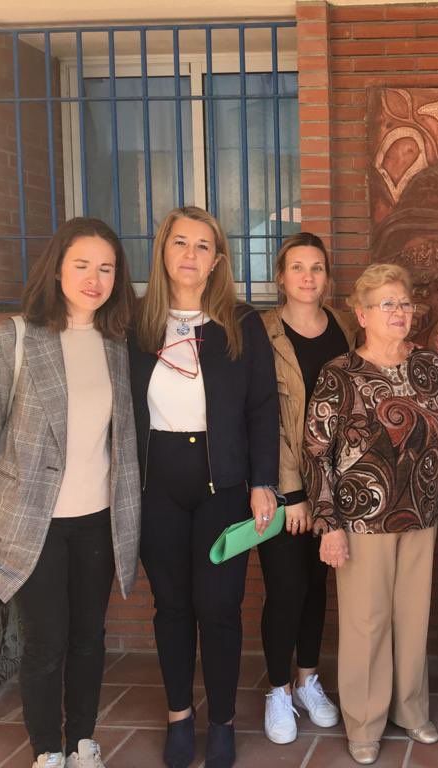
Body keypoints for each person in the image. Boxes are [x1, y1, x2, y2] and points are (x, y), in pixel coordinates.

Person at [0, 218, 140, 768]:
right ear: (57, 268)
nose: (94, 278)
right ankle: (48, 750)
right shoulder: (12, 340)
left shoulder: (115, 343)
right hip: (30, 522)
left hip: (97, 521)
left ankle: (83, 741)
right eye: (81, 265)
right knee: (45, 643)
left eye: (106, 268)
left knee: (88, 637)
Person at [128, 206, 278, 768]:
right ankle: (178, 718)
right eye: (180, 243)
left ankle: (221, 720)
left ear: (218, 261)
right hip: (157, 482)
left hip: (224, 484)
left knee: (219, 607)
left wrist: (264, 481)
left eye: (202, 246)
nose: (190, 255)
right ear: (163, 252)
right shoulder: (136, 324)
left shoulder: (241, 324)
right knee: (171, 606)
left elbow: (264, 408)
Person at [303, 263, 438, 766]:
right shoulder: (339, 374)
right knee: (367, 622)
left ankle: (410, 709)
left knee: (413, 617)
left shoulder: (430, 364)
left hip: (422, 512)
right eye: (386, 304)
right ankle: (364, 720)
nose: (399, 312)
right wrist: (328, 523)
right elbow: (316, 452)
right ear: (362, 314)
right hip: (360, 519)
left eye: (404, 303)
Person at [257, 233, 356, 744]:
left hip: (335, 484)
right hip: (284, 488)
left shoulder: (342, 323)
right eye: (298, 267)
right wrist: (290, 492)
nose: (308, 277)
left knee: (317, 588)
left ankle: (307, 681)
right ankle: (277, 689)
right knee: (286, 588)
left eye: (317, 267)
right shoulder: (261, 330)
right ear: (281, 276)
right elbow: (264, 415)